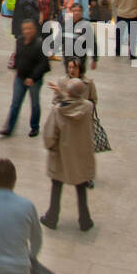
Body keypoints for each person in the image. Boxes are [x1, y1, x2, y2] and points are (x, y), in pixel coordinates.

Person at [41, 78, 95, 231]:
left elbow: (50, 134)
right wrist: (64, 93)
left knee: (57, 185)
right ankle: (85, 220)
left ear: (69, 92)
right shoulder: (88, 107)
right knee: (81, 186)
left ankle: (52, 217)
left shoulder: (58, 110)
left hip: (62, 155)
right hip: (80, 154)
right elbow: (77, 102)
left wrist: (50, 146)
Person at [0, 17, 50, 138]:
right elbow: (18, 56)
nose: (27, 31)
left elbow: (44, 64)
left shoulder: (39, 44)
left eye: (29, 29)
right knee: (15, 103)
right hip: (20, 78)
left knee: (35, 104)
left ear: (34, 30)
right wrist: (16, 69)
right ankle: (9, 128)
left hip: (34, 80)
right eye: (25, 29)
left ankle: (34, 126)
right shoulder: (19, 41)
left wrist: (33, 77)